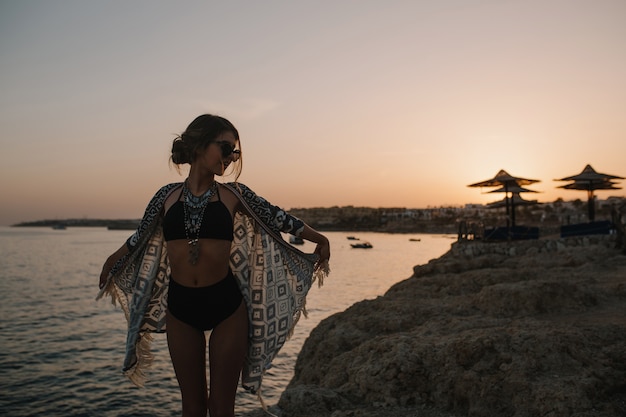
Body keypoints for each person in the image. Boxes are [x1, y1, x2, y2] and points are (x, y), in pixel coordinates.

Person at [98, 114, 330, 417]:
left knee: (222, 409)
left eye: (235, 152)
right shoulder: (166, 196)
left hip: (227, 308)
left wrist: (319, 238)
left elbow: (278, 217)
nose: (231, 158)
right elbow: (140, 237)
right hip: (181, 309)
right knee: (192, 408)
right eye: (225, 148)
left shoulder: (234, 194)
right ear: (198, 145)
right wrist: (112, 260)